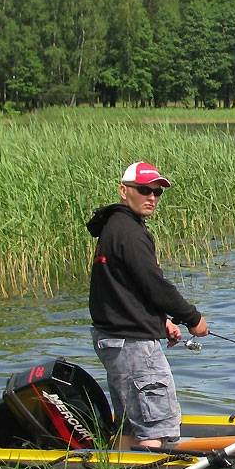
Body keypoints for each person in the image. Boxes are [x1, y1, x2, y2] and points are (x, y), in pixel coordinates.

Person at [88, 161, 208, 449]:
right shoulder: (129, 233)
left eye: (157, 193)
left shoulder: (115, 227)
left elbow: (125, 288)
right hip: (134, 347)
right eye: (144, 190)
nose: (152, 197)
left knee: (129, 426)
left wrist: (161, 321)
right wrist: (191, 317)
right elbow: (155, 285)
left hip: (118, 341)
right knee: (157, 429)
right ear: (123, 191)